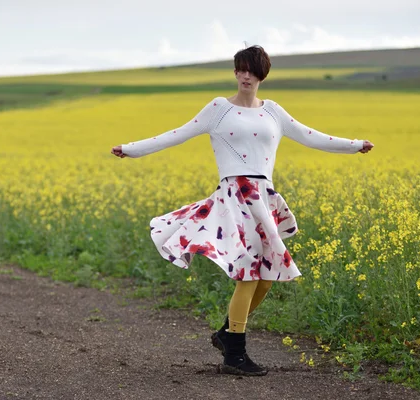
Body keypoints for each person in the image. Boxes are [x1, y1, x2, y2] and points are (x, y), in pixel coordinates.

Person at [111, 45, 374, 377]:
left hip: (263, 197)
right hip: (235, 196)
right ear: (235, 73)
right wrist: (130, 150)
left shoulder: (273, 112)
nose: (245, 75)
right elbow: (176, 135)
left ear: (261, 74)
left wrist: (354, 145)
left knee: (267, 275)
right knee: (249, 273)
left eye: (251, 70)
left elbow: (311, 137)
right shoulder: (218, 109)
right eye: (240, 69)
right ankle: (234, 353)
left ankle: (226, 333)